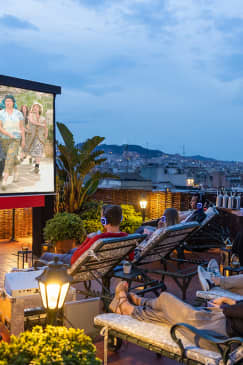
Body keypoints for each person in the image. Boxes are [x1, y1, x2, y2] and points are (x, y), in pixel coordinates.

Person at [109, 280, 243, 344]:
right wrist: (230, 301)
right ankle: (131, 308)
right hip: (225, 324)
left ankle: (135, 304)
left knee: (166, 299)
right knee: (167, 314)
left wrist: (226, 307)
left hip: (217, 332)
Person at [40, 205, 127, 265]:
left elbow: (77, 256)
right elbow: (130, 257)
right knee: (71, 250)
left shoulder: (98, 238)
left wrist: (88, 238)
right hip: (102, 262)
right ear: (121, 219)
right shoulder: (125, 236)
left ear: (104, 221)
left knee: (45, 256)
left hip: (82, 262)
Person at [0, 95, 25, 190]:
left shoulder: (18, 114)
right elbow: (0, 127)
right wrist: (8, 134)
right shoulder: (1, 113)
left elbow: (22, 128)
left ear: (13, 102)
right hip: (4, 138)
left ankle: (4, 181)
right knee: (11, 156)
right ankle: (16, 172)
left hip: (16, 138)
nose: (8, 102)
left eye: (10, 101)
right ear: (4, 102)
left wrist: (23, 140)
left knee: (9, 158)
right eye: (6, 101)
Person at [26, 102, 48, 174]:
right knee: (33, 151)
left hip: (40, 137)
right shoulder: (30, 115)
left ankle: (37, 166)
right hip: (32, 137)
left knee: (38, 151)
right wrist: (42, 124)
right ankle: (32, 160)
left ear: (39, 109)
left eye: (37, 107)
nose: (35, 108)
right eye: (34, 107)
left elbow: (46, 128)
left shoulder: (43, 118)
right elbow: (32, 122)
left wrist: (46, 136)